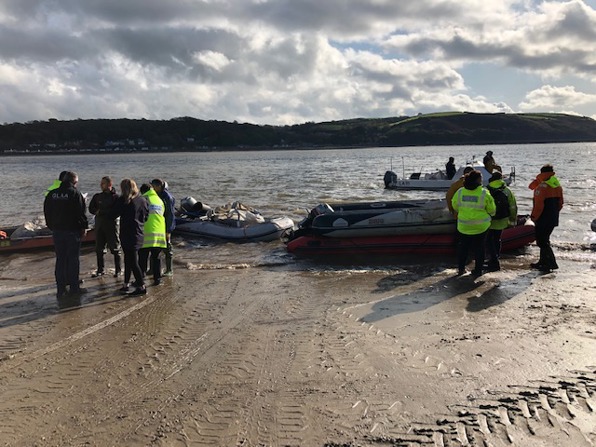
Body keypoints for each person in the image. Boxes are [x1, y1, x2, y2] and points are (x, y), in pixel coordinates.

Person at [43, 171, 89, 305]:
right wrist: (83, 228)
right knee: (73, 260)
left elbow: (47, 211)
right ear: (73, 181)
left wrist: (51, 226)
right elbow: (81, 213)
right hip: (72, 231)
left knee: (60, 259)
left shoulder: (53, 194)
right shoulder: (75, 194)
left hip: (57, 231)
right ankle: (74, 288)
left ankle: (60, 288)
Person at [451, 169, 496, 277]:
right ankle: (478, 271)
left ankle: (461, 269)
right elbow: (492, 210)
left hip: (464, 226)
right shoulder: (484, 193)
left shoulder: (460, 192)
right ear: (478, 180)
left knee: (463, 248)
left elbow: (454, 206)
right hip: (480, 227)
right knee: (479, 249)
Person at [111, 179, 148, 296]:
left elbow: (113, 214)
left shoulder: (124, 200)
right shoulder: (142, 200)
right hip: (138, 233)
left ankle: (141, 286)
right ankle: (126, 284)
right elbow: (146, 216)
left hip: (127, 234)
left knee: (132, 261)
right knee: (129, 259)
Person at [528, 164, 564, 272]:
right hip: (553, 217)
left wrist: (533, 217)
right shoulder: (557, 185)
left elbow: (539, 205)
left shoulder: (541, 187)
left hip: (542, 217)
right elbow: (561, 203)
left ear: (541, 173)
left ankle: (551, 262)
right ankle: (543, 262)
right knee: (545, 239)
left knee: (541, 241)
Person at [88, 176, 122, 278]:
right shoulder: (97, 196)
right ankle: (100, 269)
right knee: (99, 248)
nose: (101, 185)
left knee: (115, 248)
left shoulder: (116, 197)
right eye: (101, 183)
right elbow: (91, 208)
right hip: (99, 225)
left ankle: (118, 270)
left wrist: (102, 212)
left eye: (103, 183)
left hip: (112, 225)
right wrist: (96, 211)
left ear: (109, 185)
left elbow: (116, 211)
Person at [485, 171, 517, 272]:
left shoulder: (486, 190)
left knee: (489, 240)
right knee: (497, 239)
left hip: (489, 219)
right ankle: (496, 258)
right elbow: (513, 206)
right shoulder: (507, 190)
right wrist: (512, 220)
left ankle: (493, 260)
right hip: (502, 219)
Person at [138, 183, 167, 286]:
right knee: (156, 258)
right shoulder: (159, 200)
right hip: (159, 234)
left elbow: (139, 216)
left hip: (146, 233)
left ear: (142, 191)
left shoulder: (143, 199)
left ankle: (140, 279)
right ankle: (157, 279)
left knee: (142, 258)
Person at [151, 178, 176, 276]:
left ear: (158, 186)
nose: (152, 188)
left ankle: (169, 269)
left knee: (167, 248)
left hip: (166, 225)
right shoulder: (156, 195)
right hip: (157, 224)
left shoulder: (167, 197)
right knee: (154, 247)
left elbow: (170, 214)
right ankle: (152, 269)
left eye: (153, 186)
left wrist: (168, 230)